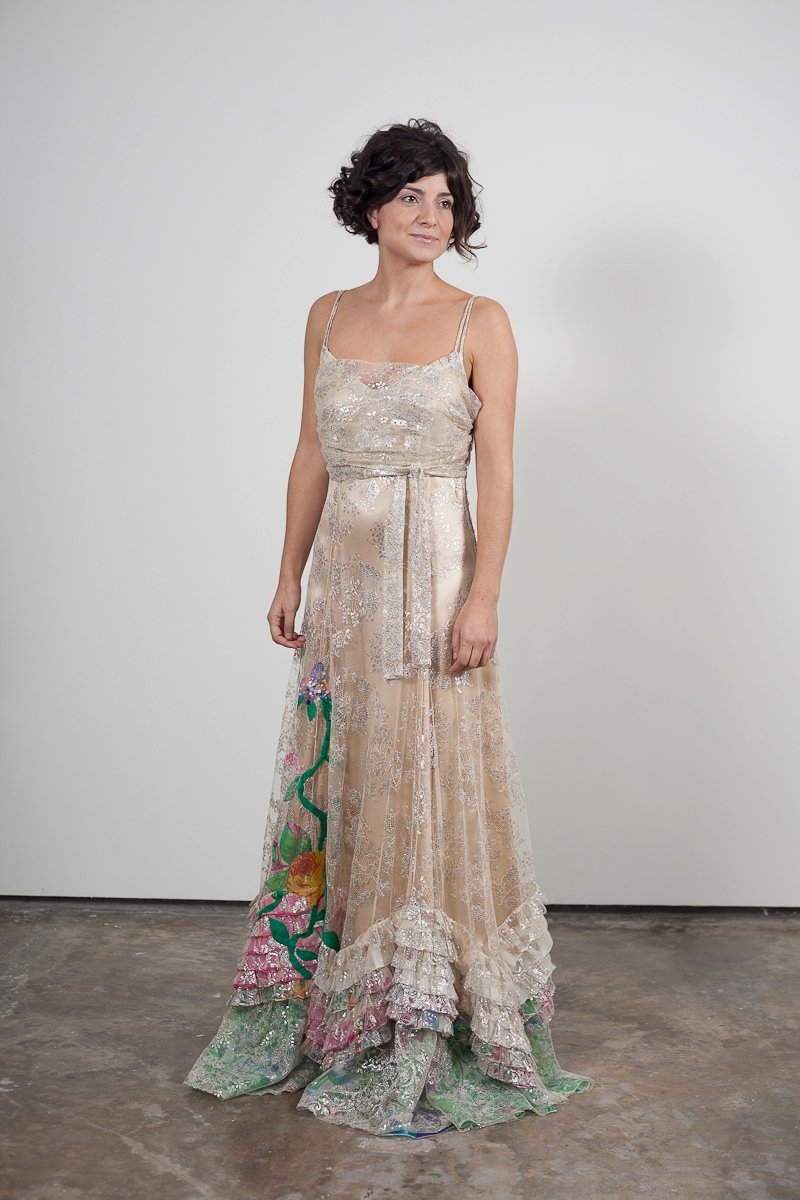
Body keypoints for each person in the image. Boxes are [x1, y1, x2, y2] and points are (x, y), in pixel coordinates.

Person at [185, 117, 593, 1136]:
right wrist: (287, 570)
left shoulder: (481, 321)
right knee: (353, 774)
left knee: (429, 777)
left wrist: (485, 594)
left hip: (439, 580)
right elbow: (310, 452)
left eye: (446, 201)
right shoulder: (325, 313)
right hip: (346, 591)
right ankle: (344, 1002)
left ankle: (426, 1006)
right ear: (369, 205)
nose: (430, 215)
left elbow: (498, 471)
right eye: (411, 195)